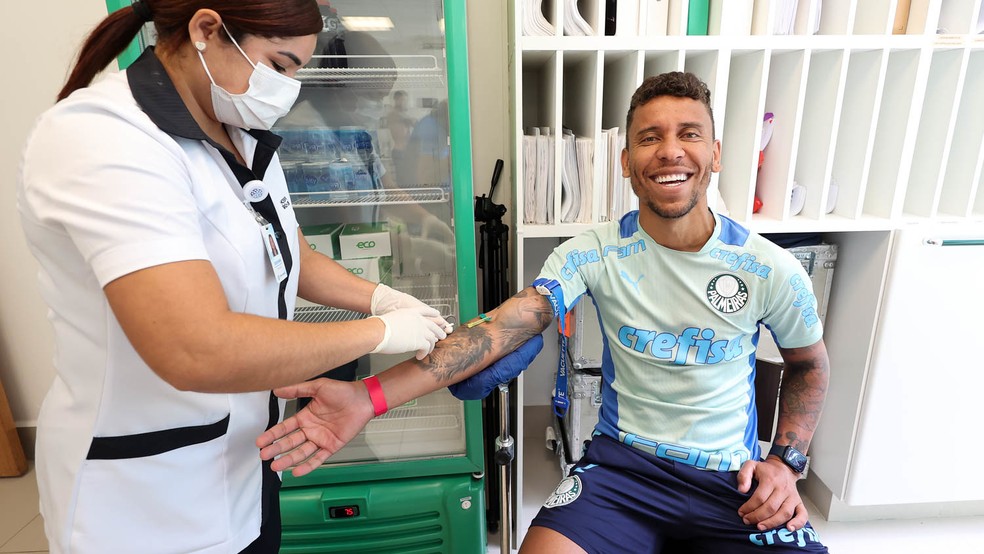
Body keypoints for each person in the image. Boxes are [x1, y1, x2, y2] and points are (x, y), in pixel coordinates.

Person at [257, 71, 831, 553]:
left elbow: (810, 367)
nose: (671, 151)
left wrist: (785, 461)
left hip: (732, 480)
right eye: (650, 138)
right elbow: (506, 327)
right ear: (627, 162)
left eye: (689, 135)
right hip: (623, 471)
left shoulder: (769, 268)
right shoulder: (593, 252)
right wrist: (367, 397)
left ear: (716, 154)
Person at [16, 1, 451, 552]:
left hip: (248, 462)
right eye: (280, 64)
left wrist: (381, 298)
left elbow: (284, 249)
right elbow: (194, 347)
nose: (288, 89)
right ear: (206, 30)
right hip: (143, 493)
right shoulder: (105, 138)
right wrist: (381, 334)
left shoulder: (240, 135)